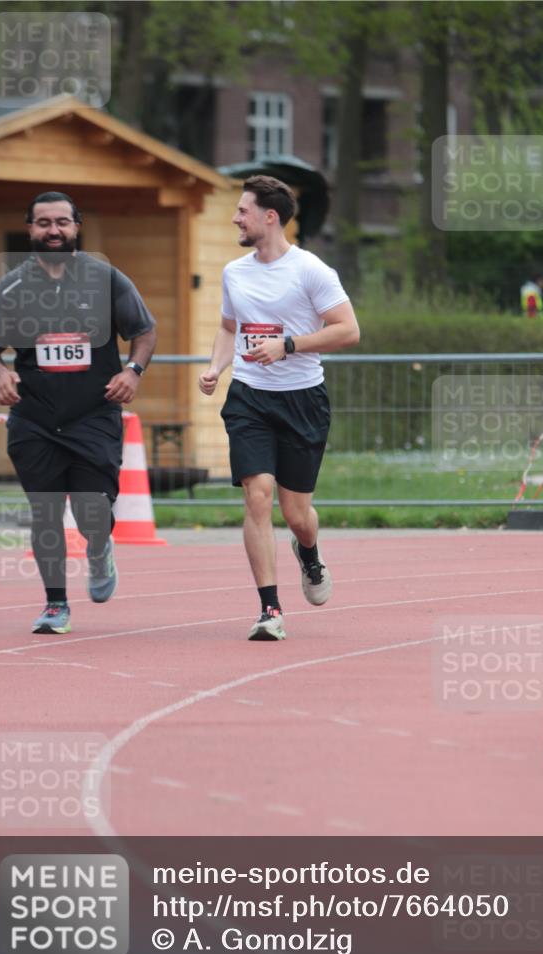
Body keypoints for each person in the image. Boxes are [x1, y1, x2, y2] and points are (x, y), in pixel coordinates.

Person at [0, 192, 156, 634]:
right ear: (30, 229)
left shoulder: (106, 279)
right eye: (43, 223)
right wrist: (0, 373)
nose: (53, 230)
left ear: (76, 227)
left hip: (94, 414)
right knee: (45, 512)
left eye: (61, 222)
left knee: (93, 510)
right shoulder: (13, 286)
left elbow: (144, 330)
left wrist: (132, 371)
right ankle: (56, 604)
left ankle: (99, 547)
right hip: (34, 417)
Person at [199, 175, 360, 641]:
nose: (235, 218)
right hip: (249, 397)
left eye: (242, 211)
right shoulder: (235, 272)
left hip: (302, 399)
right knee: (257, 494)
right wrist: (216, 367)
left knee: (296, 514)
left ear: (270, 217)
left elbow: (348, 330)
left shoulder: (311, 270)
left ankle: (309, 552)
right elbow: (229, 327)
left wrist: (287, 345)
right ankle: (269, 609)